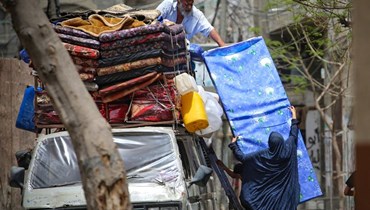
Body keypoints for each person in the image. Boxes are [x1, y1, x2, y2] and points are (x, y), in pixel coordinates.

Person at [228, 106, 300, 210]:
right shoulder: (288, 148)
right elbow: (294, 133)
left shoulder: (262, 155)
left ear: (269, 143)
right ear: (281, 141)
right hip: (285, 198)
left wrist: (234, 145)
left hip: (266, 199)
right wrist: (293, 115)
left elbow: (242, 157)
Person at [156, 0, 226, 47]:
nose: (189, 7)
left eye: (191, 4)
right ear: (179, 1)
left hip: (181, 51)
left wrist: (223, 45)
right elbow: (153, 19)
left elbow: (209, 29)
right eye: (186, 4)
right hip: (161, 45)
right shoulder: (168, 5)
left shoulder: (196, 14)